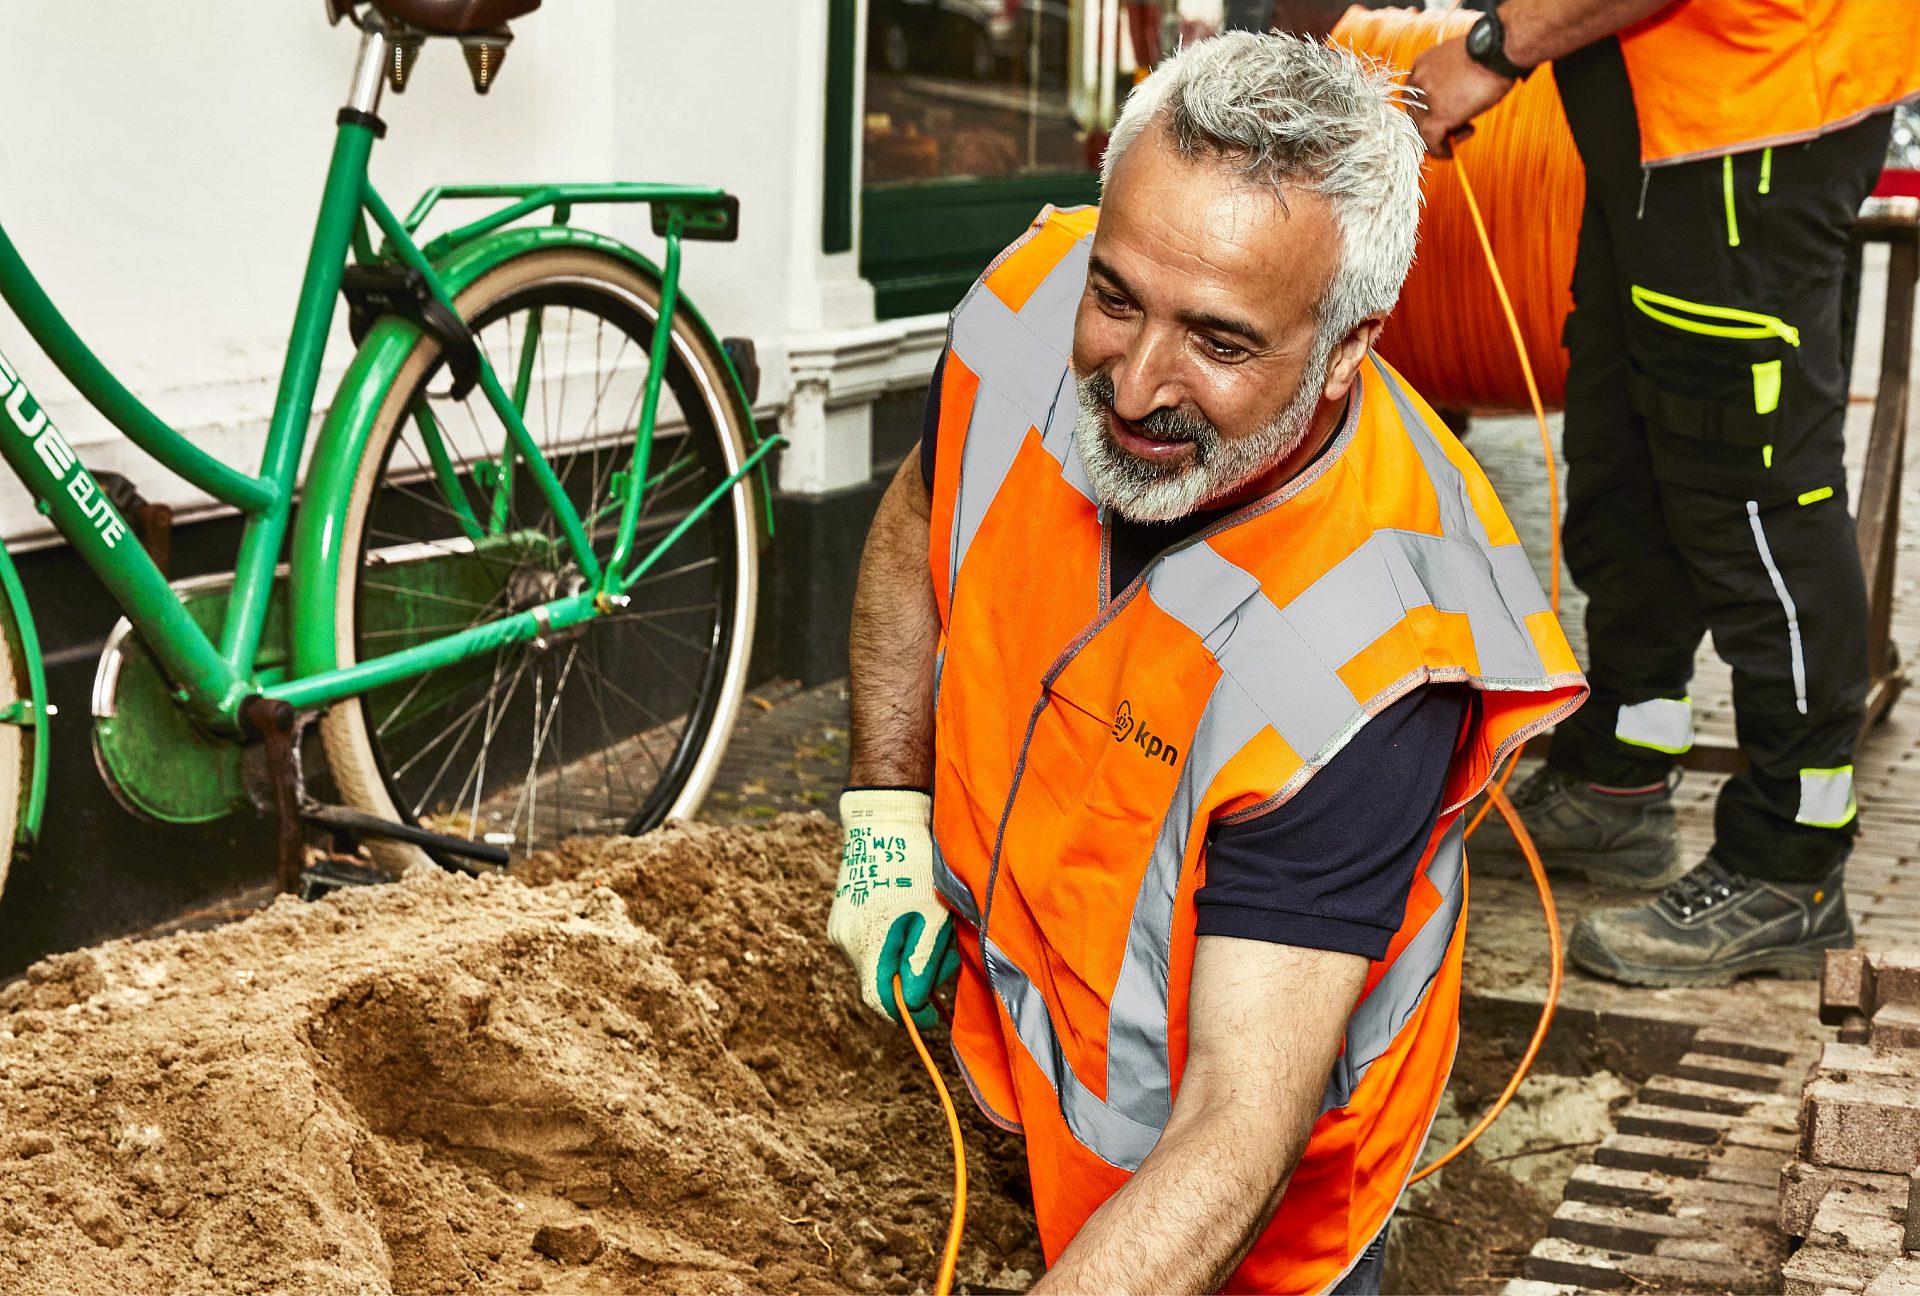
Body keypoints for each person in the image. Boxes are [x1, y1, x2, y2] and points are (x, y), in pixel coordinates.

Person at [828, 33, 1585, 1294]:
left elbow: (1237, 1127)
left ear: (1348, 347)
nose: (1132, 385)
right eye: (1116, 295)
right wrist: (884, 817)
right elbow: (922, 518)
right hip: (1043, 1095)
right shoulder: (1025, 305)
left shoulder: (1370, 655)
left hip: (1242, 1231)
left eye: (1220, 344)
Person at [1410, 0, 1920, 988]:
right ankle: (1620, 772)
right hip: (1662, 125)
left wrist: (1495, 48)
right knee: (1626, 450)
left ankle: (1791, 861)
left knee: (1751, 490)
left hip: (1751, 119)